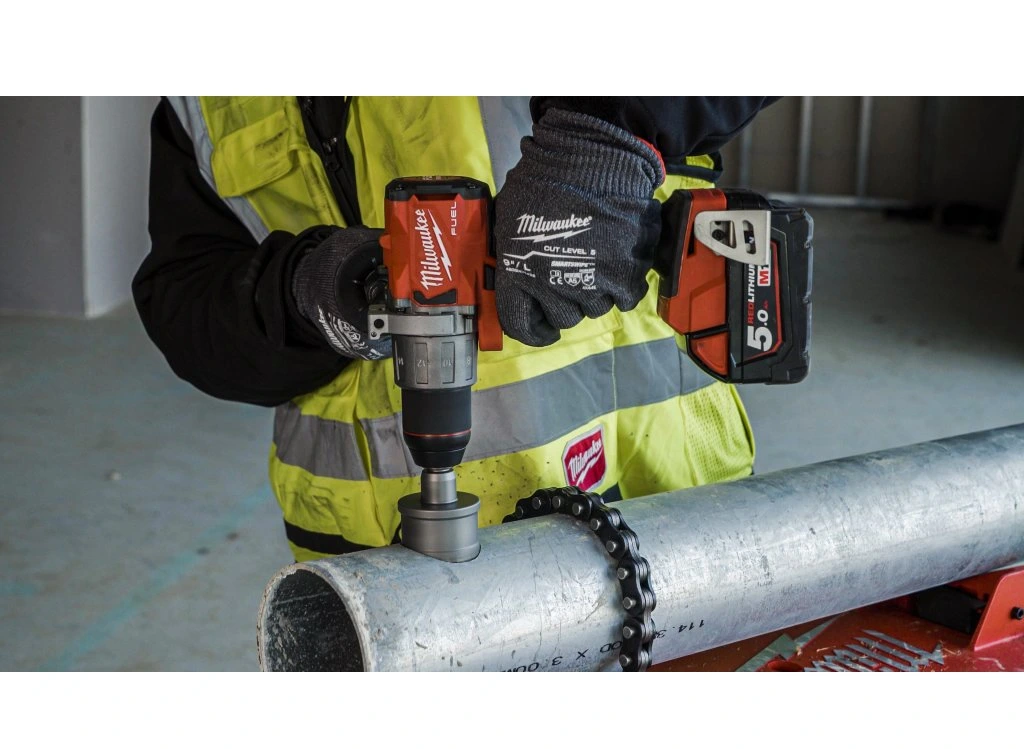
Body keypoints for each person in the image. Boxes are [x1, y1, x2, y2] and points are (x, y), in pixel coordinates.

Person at [134, 96, 777, 562]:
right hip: (366, 562)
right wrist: (306, 289)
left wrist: (605, 138)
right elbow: (186, 302)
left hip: (650, 509)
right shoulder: (200, 94)